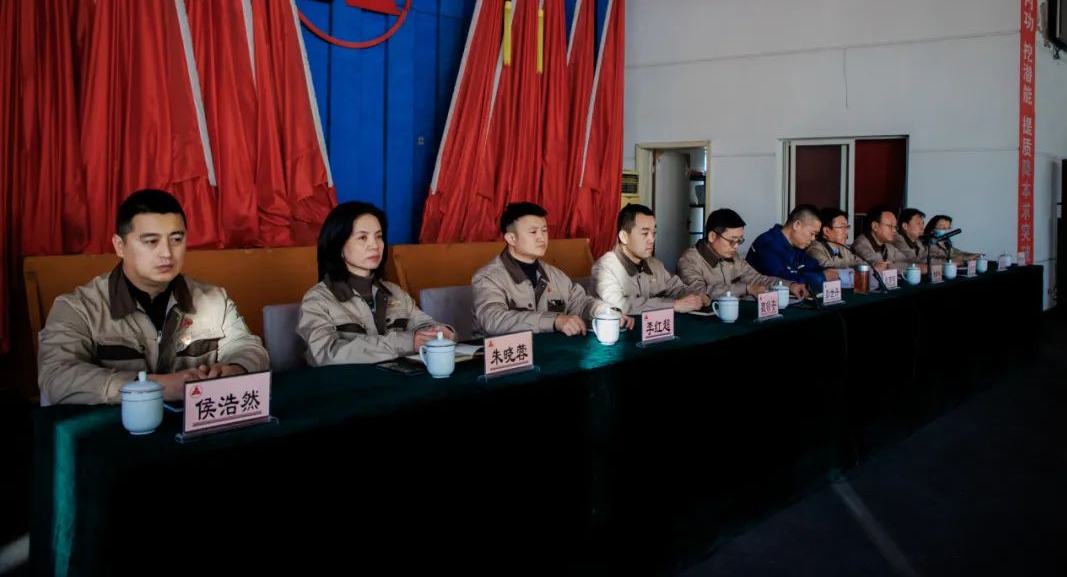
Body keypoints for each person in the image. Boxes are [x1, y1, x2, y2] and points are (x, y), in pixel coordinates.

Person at [38, 189, 269, 405]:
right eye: (151, 241)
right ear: (119, 245)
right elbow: (56, 376)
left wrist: (237, 369)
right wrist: (153, 387)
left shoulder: (214, 300)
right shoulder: (79, 307)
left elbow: (248, 347)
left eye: (176, 239)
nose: (167, 253)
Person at [298, 202, 454, 365]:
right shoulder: (318, 299)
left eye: (379, 236)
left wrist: (440, 332)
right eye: (362, 237)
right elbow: (326, 353)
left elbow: (423, 324)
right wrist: (406, 342)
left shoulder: (395, 292)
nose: (375, 245)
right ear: (338, 245)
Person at [472, 202, 632, 337]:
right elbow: (493, 319)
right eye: (533, 232)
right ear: (511, 238)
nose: (541, 237)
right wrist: (554, 320)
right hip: (504, 358)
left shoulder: (555, 275)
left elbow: (582, 304)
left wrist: (608, 311)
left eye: (544, 230)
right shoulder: (488, 277)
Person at [591, 203, 708, 314]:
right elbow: (622, 306)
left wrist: (697, 295)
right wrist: (673, 305)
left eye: (654, 233)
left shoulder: (655, 265)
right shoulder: (605, 268)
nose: (652, 240)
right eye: (645, 233)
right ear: (624, 237)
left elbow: (676, 289)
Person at [677, 208, 808, 299]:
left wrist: (790, 285)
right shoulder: (689, 260)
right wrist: (746, 289)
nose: (736, 246)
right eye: (732, 240)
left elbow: (758, 279)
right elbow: (699, 292)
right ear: (712, 236)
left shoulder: (733, 257)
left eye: (739, 240)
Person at [746, 204, 838, 291]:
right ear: (797, 225)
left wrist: (824, 272)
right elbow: (784, 280)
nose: (813, 239)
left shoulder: (797, 245)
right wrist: (821, 277)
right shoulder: (767, 243)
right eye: (812, 233)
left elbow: (812, 266)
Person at [851, 206, 908, 270]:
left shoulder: (887, 245)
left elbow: (907, 262)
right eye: (890, 226)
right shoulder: (860, 245)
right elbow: (878, 266)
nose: (894, 230)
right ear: (875, 226)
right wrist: (891, 266)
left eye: (895, 227)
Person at [890, 208, 929, 272]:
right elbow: (912, 259)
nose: (922, 228)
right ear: (905, 226)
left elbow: (926, 258)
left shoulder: (918, 242)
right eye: (918, 224)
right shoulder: (896, 239)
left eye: (923, 224)